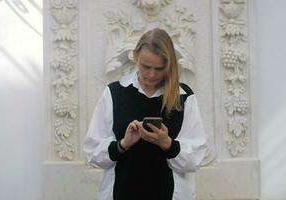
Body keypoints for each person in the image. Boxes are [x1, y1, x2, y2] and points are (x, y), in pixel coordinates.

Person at [83, 28, 207, 200]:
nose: (151, 74)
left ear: (169, 64)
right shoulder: (114, 93)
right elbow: (93, 151)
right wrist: (123, 144)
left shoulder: (184, 97)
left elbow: (195, 158)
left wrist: (167, 143)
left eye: (159, 68)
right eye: (146, 66)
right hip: (121, 193)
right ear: (135, 57)